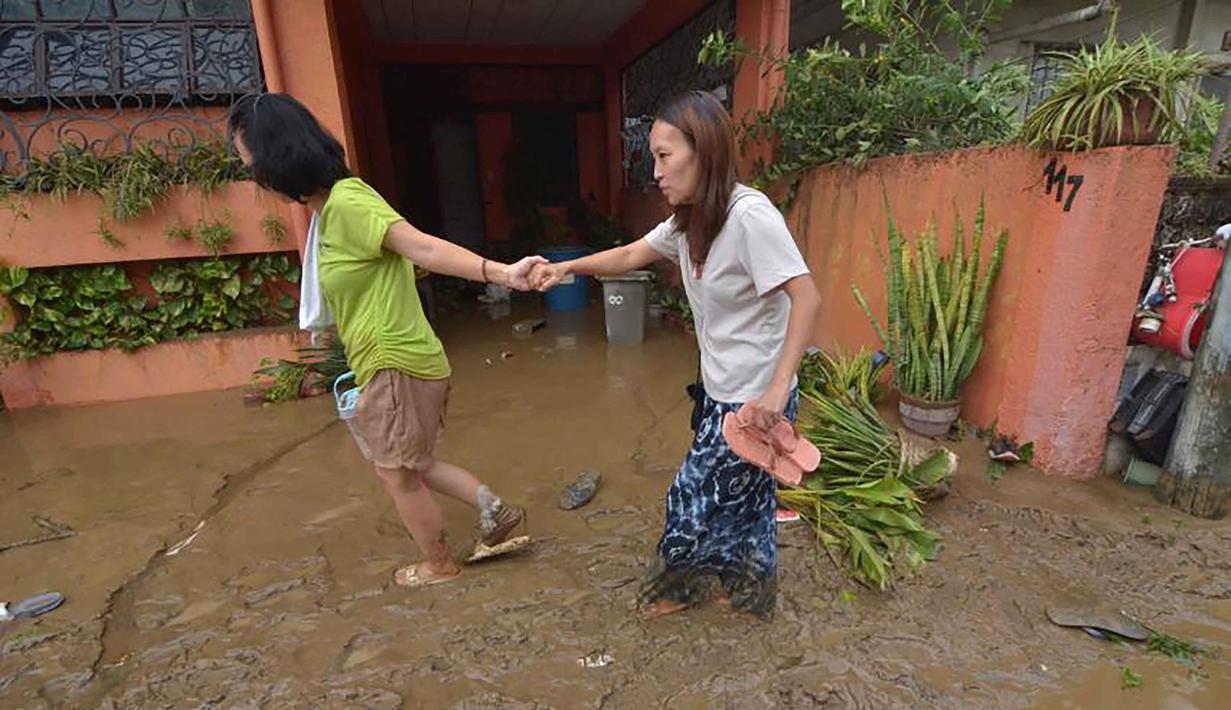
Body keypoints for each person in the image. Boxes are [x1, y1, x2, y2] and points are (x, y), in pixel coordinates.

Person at [230, 93, 540, 588]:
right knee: (412, 462)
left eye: (252, 165)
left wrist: (501, 273)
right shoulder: (328, 214)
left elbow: (418, 246)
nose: (255, 178)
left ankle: (439, 565)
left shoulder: (349, 202)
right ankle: (495, 512)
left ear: (279, 158)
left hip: (394, 361)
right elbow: (397, 267)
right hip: (393, 359)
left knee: (396, 473)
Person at [531, 91, 821, 618]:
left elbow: (807, 296)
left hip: (755, 403)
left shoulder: (749, 217)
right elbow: (629, 254)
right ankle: (750, 596)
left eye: (665, 157)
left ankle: (671, 592)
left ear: (702, 153)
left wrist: (779, 390)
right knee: (750, 507)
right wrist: (566, 268)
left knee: (688, 498)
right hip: (718, 393)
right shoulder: (689, 220)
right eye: (654, 158)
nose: (656, 172)